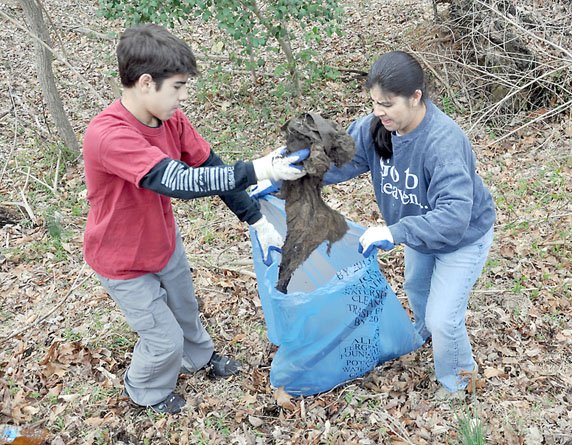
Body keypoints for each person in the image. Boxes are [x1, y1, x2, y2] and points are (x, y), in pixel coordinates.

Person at [82, 24, 309, 414]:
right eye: (178, 86)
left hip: (163, 242)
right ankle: (145, 389)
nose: (184, 96)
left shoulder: (172, 120)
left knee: (187, 311)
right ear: (146, 82)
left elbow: (209, 166)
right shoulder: (108, 135)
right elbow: (177, 181)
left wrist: (257, 221)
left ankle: (199, 360)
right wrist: (258, 169)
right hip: (122, 260)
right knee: (163, 338)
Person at [323, 51, 496, 396]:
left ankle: (459, 382)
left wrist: (394, 231)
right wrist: (293, 173)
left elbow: (453, 217)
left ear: (416, 97)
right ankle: (425, 333)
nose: (377, 112)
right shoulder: (377, 127)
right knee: (418, 289)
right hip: (419, 234)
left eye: (387, 104)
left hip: (462, 239)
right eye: (373, 102)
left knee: (444, 318)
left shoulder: (442, 141)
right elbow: (339, 159)